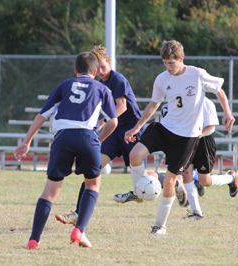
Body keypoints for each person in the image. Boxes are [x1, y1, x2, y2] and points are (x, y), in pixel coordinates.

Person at [53, 46, 189, 226]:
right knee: (92, 168)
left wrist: (101, 122)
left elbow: (122, 106)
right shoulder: (98, 83)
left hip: (131, 131)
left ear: (109, 63)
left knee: (141, 181)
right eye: (97, 68)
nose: (100, 71)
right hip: (114, 133)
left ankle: (174, 183)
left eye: (103, 66)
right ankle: (78, 213)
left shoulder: (118, 80)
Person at [117, 40, 235, 235]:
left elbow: (219, 91)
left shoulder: (197, 74)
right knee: (135, 155)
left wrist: (227, 113)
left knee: (171, 179)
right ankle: (140, 192)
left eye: (171, 63)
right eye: (165, 63)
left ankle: (160, 226)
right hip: (165, 128)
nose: (168, 67)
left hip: (186, 137)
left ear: (181, 59)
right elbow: (154, 105)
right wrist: (137, 127)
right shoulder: (162, 79)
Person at [15, 52, 118, 250]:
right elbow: (113, 122)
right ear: (95, 72)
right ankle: (79, 229)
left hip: (62, 137)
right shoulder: (101, 88)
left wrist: (26, 141)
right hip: (87, 137)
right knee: (93, 185)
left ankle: (34, 239)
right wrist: (98, 140)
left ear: (75, 70)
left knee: (50, 191)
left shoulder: (64, 85)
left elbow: (41, 116)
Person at [179, 98, 238, 221]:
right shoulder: (184, 98)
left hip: (204, 142)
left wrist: (198, 135)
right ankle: (197, 213)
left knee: (205, 181)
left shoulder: (206, 102)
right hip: (188, 140)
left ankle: (230, 178)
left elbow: (211, 125)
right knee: (186, 174)